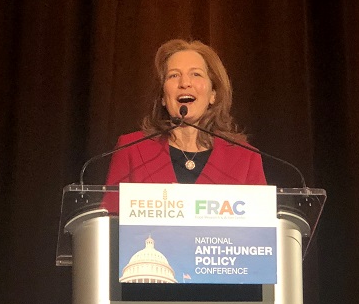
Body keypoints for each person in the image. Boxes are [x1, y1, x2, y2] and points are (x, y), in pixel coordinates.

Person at [104, 39, 266, 196]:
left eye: (196, 74)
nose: (185, 83)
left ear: (213, 94)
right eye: (173, 75)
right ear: (162, 97)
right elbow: (109, 219)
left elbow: (260, 220)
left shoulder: (246, 157)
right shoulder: (131, 149)